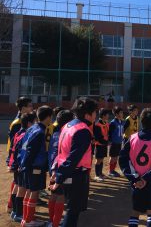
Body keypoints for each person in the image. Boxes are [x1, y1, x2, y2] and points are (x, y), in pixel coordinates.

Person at [50, 97, 97, 227]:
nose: (96, 115)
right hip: (75, 175)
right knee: (73, 211)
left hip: (67, 171)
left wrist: (57, 172)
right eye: (94, 112)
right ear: (88, 115)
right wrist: (59, 178)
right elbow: (73, 158)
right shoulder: (83, 130)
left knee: (72, 209)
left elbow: (60, 152)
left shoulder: (68, 125)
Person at [119, 108, 151, 227]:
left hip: (136, 183)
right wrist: (146, 178)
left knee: (135, 211)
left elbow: (123, 159)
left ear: (141, 121)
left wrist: (135, 178)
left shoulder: (132, 138)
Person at [19, 106, 53, 227]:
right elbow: (31, 151)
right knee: (34, 192)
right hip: (34, 166)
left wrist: (22, 164)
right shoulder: (39, 132)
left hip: (28, 165)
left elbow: (22, 146)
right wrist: (27, 165)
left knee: (29, 190)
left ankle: (27, 218)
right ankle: (28, 220)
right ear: (48, 117)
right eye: (51, 117)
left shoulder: (32, 128)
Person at [8, 112, 36, 223]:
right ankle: (18, 213)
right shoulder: (26, 135)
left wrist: (11, 163)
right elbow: (22, 152)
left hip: (16, 164)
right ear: (29, 123)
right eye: (35, 121)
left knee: (17, 186)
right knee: (21, 189)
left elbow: (12, 149)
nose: (36, 124)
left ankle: (15, 212)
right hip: (20, 165)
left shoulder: (19, 133)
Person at [6, 96, 33, 215]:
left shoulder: (22, 119)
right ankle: (12, 206)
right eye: (30, 106)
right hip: (17, 157)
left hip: (18, 157)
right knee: (17, 182)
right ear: (23, 108)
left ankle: (13, 207)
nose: (32, 108)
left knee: (18, 183)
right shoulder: (17, 123)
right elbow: (15, 143)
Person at [47, 110, 74, 227]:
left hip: (52, 167)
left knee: (53, 194)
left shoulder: (55, 133)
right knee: (61, 196)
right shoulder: (67, 134)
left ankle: (51, 221)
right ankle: (55, 223)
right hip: (60, 169)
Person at [93, 108, 111, 181]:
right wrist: (106, 142)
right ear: (103, 115)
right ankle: (97, 175)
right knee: (98, 160)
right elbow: (98, 137)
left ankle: (100, 173)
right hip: (99, 145)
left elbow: (108, 134)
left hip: (104, 145)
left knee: (102, 159)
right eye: (107, 114)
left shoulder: (106, 123)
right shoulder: (97, 125)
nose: (108, 116)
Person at [108, 106, 125, 177]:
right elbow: (109, 133)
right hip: (114, 143)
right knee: (113, 157)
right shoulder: (113, 122)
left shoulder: (121, 121)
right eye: (121, 113)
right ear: (116, 114)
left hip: (119, 142)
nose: (122, 114)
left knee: (116, 157)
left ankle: (113, 170)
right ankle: (110, 171)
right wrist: (110, 141)